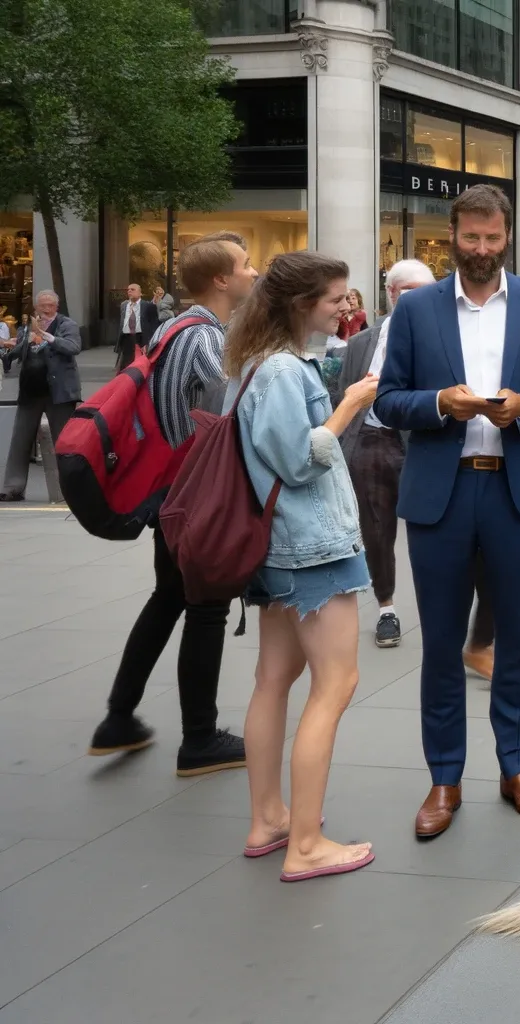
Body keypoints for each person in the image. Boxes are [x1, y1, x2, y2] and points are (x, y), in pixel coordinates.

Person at [373, 183, 520, 839]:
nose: (482, 249)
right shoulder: (416, 311)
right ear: (453, 233)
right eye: (471, 238)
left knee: (515, 639)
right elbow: (389, 401)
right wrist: (442, 403)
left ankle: (515, 766)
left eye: (493, 238)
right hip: (441, 493)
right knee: (440, 644)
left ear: (508, 235)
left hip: (517, 494)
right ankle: (444, 777)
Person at [228, 251, 380, 881]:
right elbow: (301, 460)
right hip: (312, 546)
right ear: (299, 305)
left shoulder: (258, 363)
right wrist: (347, 408)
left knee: (273, 678)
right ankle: (308, 843)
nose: (345, 307)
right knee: (334, 685)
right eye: (334, 298)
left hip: (277, 548)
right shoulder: (285, 372)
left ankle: (269, 819)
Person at [89, 233, 258, 772]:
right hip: (195, 492)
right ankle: (200, 739)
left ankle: (119, 716)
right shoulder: (203, 336)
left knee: (169, 597)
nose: (254, 274)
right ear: (221, 280)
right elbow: (237, 399)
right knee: (206, 609)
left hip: (169, 489)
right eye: (246, 266)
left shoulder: (172, 327)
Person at [334, 259, 435, 648]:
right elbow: (345, 395)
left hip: (422, 444)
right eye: (408, 292)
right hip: (372, 440)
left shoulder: (445, 342)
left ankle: (438, 610)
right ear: (391, 295)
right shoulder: (362, 343)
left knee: (429, 532)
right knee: (376, 532)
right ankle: (386, 608)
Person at [0, 291, 81, 501]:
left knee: (63, 442)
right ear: (35, 307)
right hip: (30, 391)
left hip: (59, 392)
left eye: (50, 305)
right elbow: (19, 351)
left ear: (57, 306)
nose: (46, 310)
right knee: (20, 440)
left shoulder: (67, 324)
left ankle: (69, 489)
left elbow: (74, 347)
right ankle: (12, 488)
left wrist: (47, 336)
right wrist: (10, 349)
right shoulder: (28, 326)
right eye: (42, 306)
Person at [117, 282, 161, 371]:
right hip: (126, 338)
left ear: (140, 293)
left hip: (141, 338)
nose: (129, 291)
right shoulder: (124, 305)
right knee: (125, 366)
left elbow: (154, 325)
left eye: (132, 289)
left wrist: (149, 342)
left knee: (140, 365)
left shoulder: (148, 306)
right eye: (128, 290)